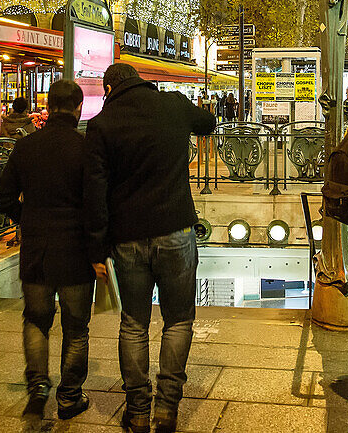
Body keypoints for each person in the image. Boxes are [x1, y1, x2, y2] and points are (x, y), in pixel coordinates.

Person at [84, 63, 216, 433]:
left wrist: (97, 248)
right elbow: (207, 122)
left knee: (133, 323)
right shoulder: (172, 104)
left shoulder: (101, 125)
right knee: (178, 320)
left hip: (126, 237)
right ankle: (167, 408)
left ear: (109, 89)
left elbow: (95, 192)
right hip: (175, 230)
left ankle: (138, 410)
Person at [0, 80, 93, 421]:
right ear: (79, 108)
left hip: (36, 249)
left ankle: (37, 387)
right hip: (76, 252)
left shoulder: (26, 147)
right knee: (76, 327)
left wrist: (27, 218)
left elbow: (2, 198)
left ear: (48, 107)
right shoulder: (86, 149)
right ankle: (69, 397)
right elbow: (97, 205)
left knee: (36, 320)